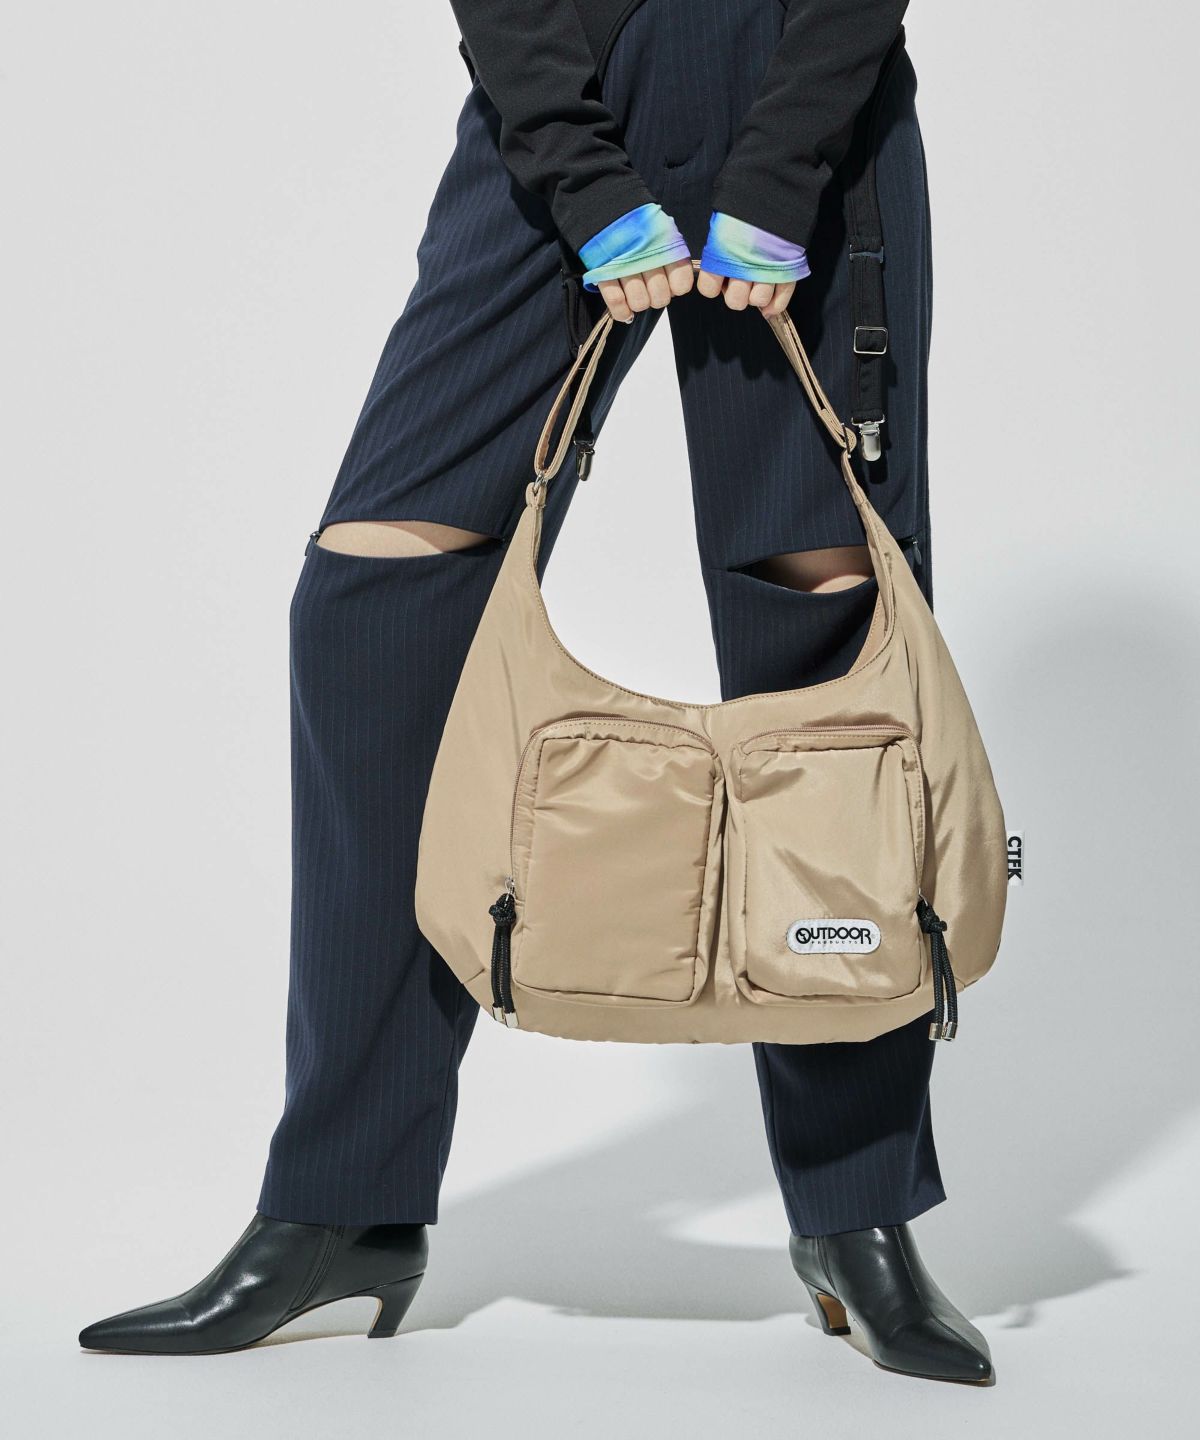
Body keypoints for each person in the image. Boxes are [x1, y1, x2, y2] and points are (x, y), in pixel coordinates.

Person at [79, 0, 992, 1383]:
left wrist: (782, 162)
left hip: (804, 99)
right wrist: (578, 169)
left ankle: (857, 1215)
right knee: (372, 604)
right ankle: (343, 1202)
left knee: (826, 653)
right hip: (563, 102)